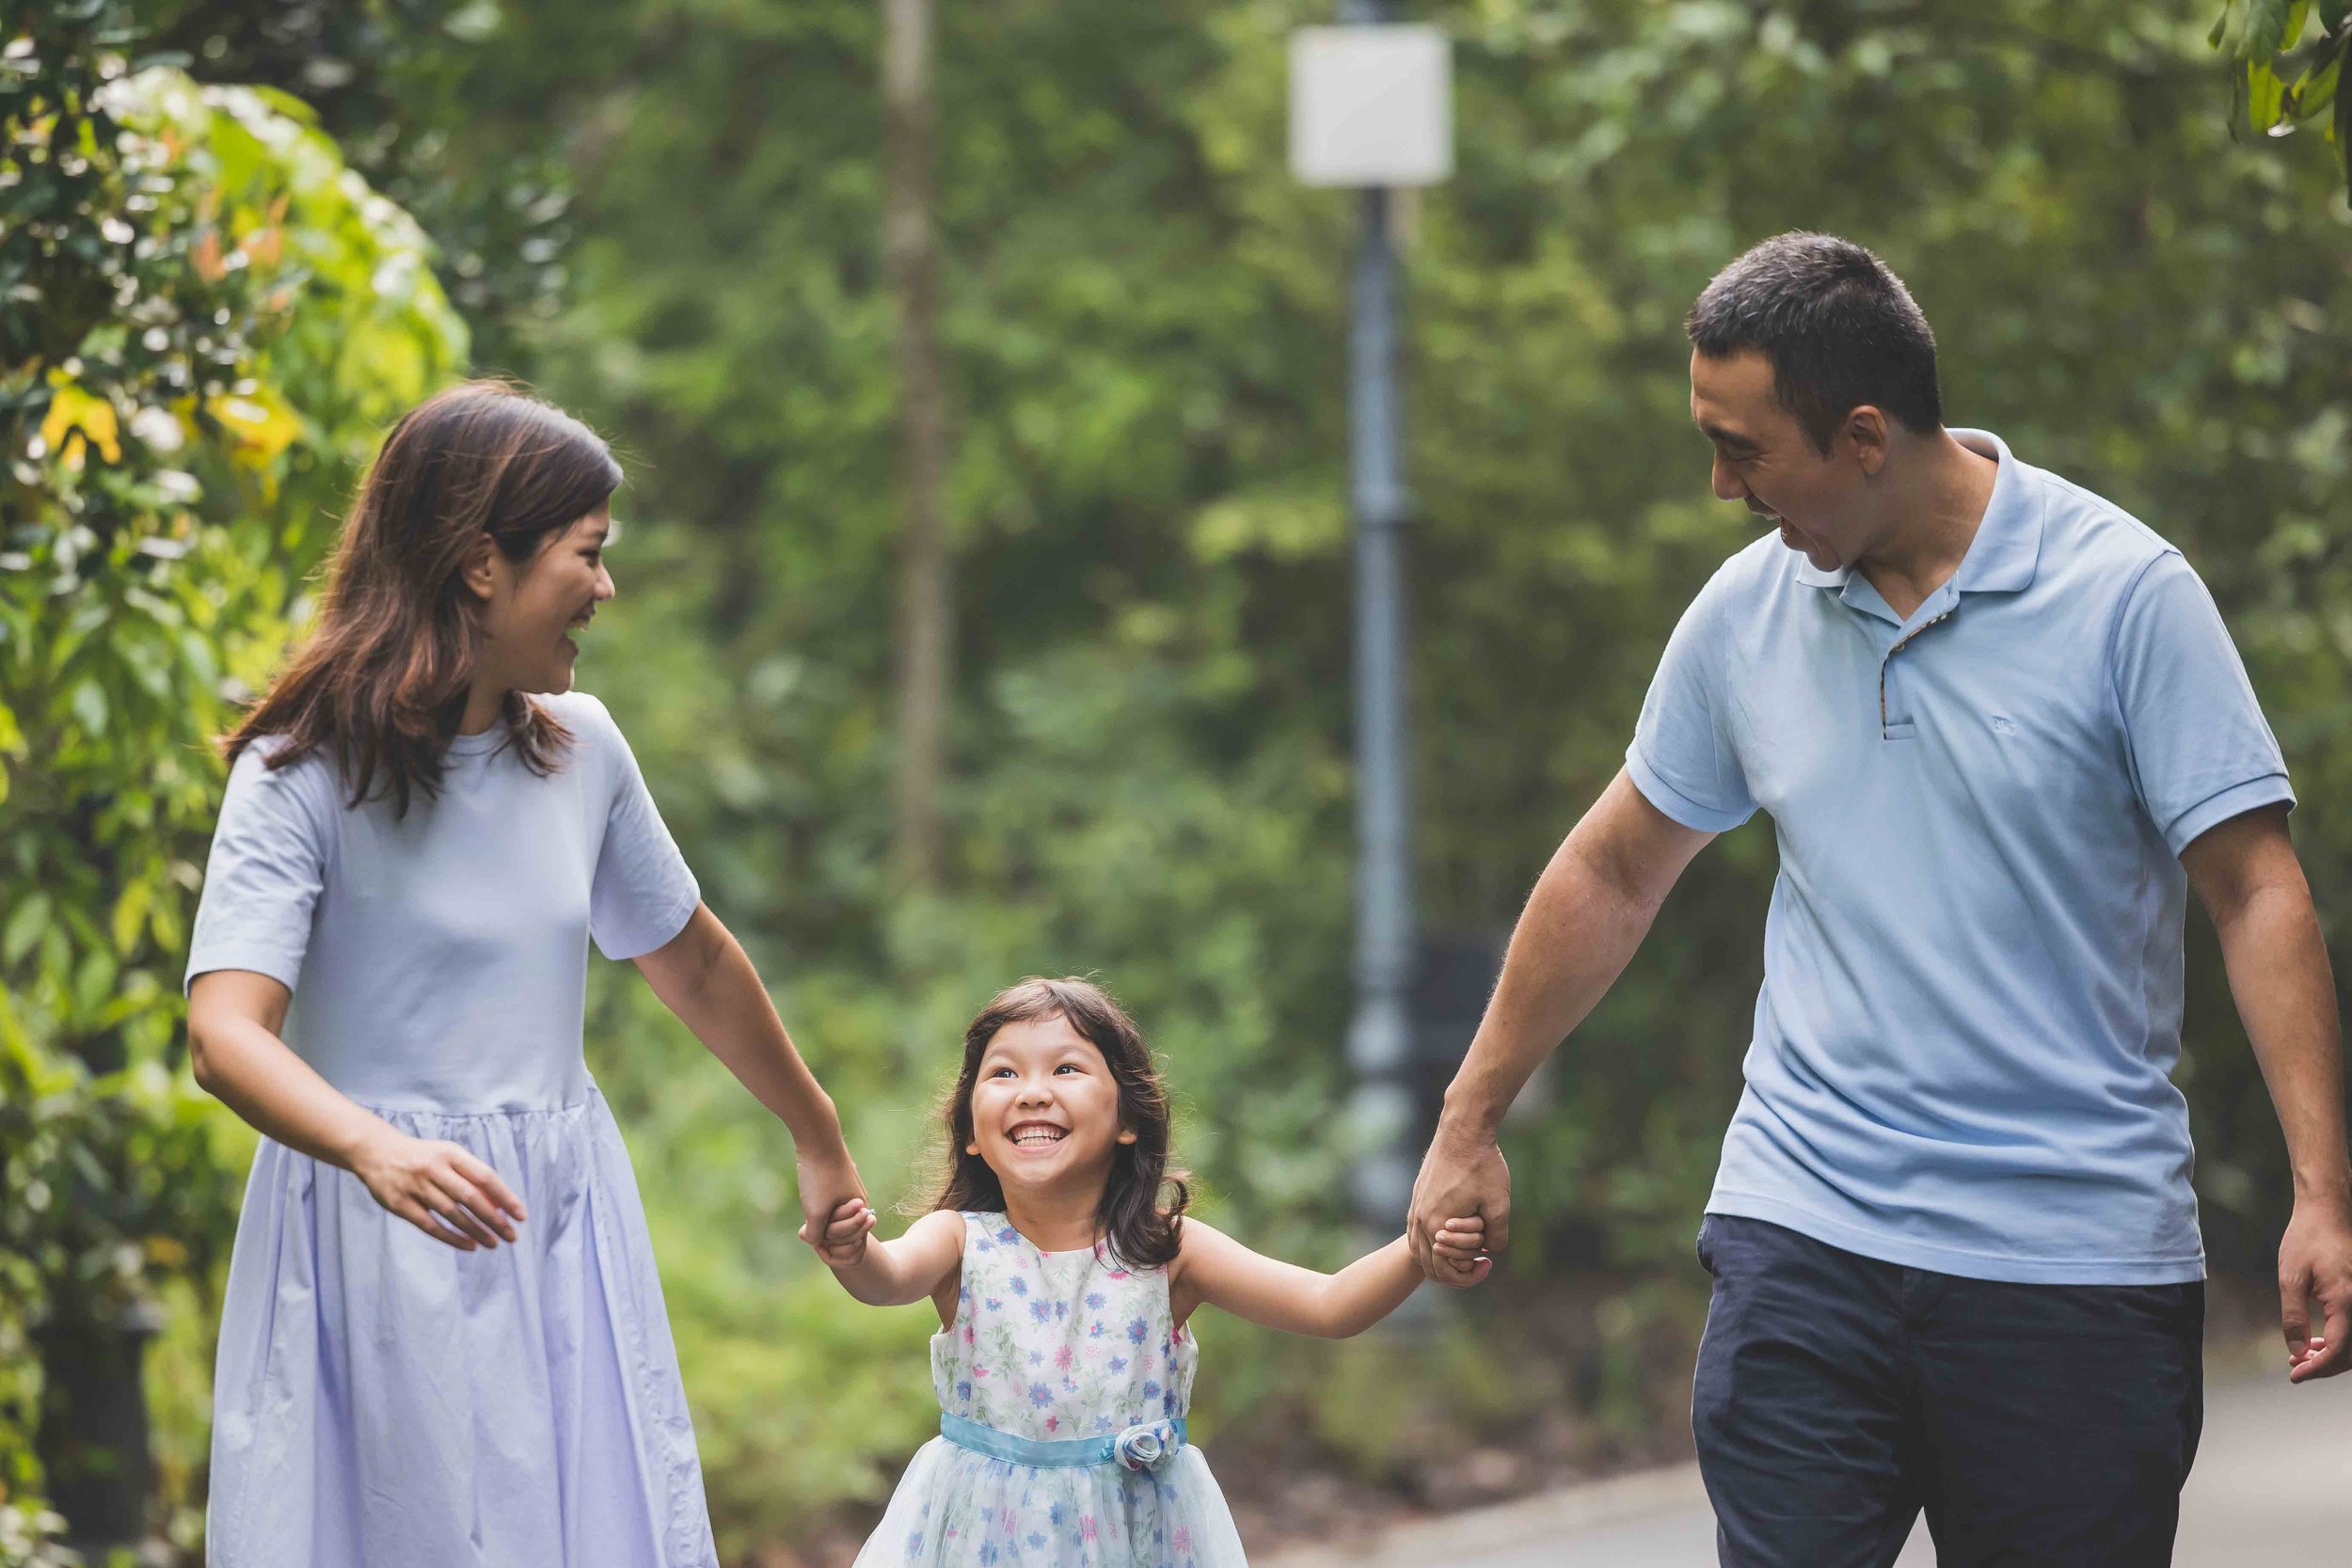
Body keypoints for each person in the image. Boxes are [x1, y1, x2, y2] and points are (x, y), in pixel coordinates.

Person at [1405, 232, 2352, 1566]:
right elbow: (1613, 868)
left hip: (2071, 1260)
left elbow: (2256, 889)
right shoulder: (1748, 616)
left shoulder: (2127, 597)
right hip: (1808, 1230)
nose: (1721, 486)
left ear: (1862, 436)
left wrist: (2323, 1189)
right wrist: (1469, 1114)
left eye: (1744, 450)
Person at [183, 381, 868, 1568]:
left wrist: (814, 1127)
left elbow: (694, 958)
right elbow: (225, 1032)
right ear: (478, 566)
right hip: (371, 1225)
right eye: (587, 554)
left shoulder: (582, 749)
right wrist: (371, 1148)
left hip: (556, 1218)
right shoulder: (297, 774)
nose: (606, 589)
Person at [803, 976, 1489, 1568]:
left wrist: (1416, 1247)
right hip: (985, 1537)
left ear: (1129, 1117)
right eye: (1003, 1073)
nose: (1032, 1092)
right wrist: (851, 1248)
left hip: (1139, 1539)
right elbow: (886, 1277)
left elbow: (1328, 1304)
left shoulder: (1166, 1251)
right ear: (974, 1133)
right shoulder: (959, 1240)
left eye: (1066, 1068)